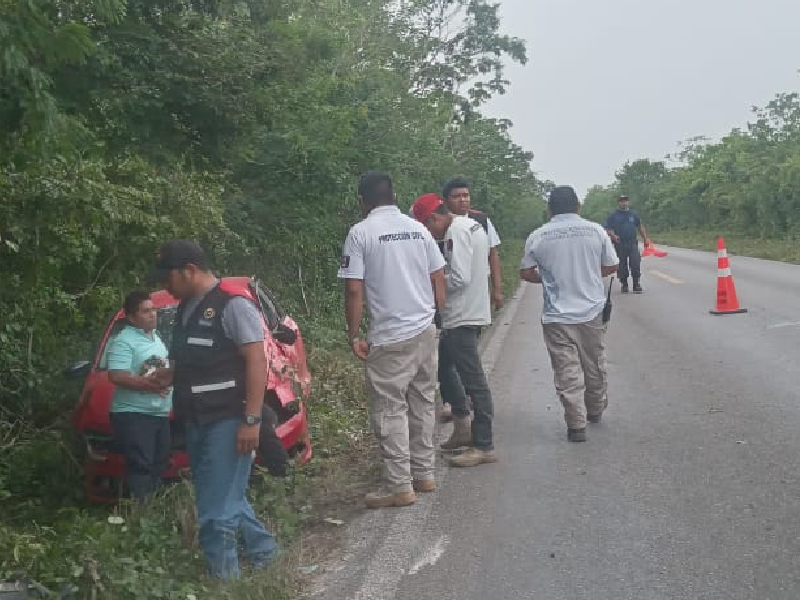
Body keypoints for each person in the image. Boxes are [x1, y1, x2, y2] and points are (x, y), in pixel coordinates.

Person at [148, 240, 277, 579]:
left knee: (215, 515)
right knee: (221, 496)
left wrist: (251, 420)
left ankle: (226, 584)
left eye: (168, 277)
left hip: (229, 420)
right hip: (196, 420)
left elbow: (256, 361)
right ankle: (264, 553)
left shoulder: (233, 306)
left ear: (189, 270)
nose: (164, 285)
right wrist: (170, 374)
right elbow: (192, 356)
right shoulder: (187, 308)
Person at [338, 172, 446, 509]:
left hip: (390, 336)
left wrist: (354, 334)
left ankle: (400, 485)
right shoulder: (418, 228)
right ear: (393, 195)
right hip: (425, 331)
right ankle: (424, 474)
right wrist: (436, 317)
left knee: (390, 408)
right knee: (423, 401)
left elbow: (354, 288)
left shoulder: (361, 233)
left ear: (363, 200)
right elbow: (438, 276)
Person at [520, 186, 619, 443]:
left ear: (549, 209)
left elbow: (527, 272)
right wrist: (589, 275)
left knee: (566, 369)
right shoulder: (596, 231)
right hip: (591, 312)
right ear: (578, 206)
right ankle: (595, 409)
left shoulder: (538, 235)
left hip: (557, 315)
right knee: (594, 363)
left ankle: (576, 425)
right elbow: (611, 265)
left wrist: (547, 279)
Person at [412, 193, 497, 467]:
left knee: (474, 380)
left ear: (435, 218)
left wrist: (432, 280)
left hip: (461, 315)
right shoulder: (469, 224)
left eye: (427, 226)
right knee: (444, 369)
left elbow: (458, 278)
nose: (428, 233)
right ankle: (463, 429)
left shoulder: (455, 232)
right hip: (467, 311)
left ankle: (484, 444)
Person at [107, 290, 171, 502]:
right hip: (134, 414)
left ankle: (152, 511)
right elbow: (117, 375)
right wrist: (152, 386)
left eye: (153, 309)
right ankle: (141, 514)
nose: (152, 314)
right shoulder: (124, 341)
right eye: (146, 311)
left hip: (158, 413)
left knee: (160, 463)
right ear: (132, 317)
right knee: (141, 465)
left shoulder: (155, 338)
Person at [604, 194, 650, 293]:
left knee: (635, 263)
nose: (624, 203)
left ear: (628, 202)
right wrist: (613, 235)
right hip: (620, 243)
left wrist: (645, 238)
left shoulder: (633, 214)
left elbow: (640, 226)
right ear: (618, 203)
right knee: (622, 265)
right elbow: (608, 228)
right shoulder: (613, 215)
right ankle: (624, 284)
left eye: (625, 201)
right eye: (621, 201)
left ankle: (636, 284)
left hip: (632, 243)